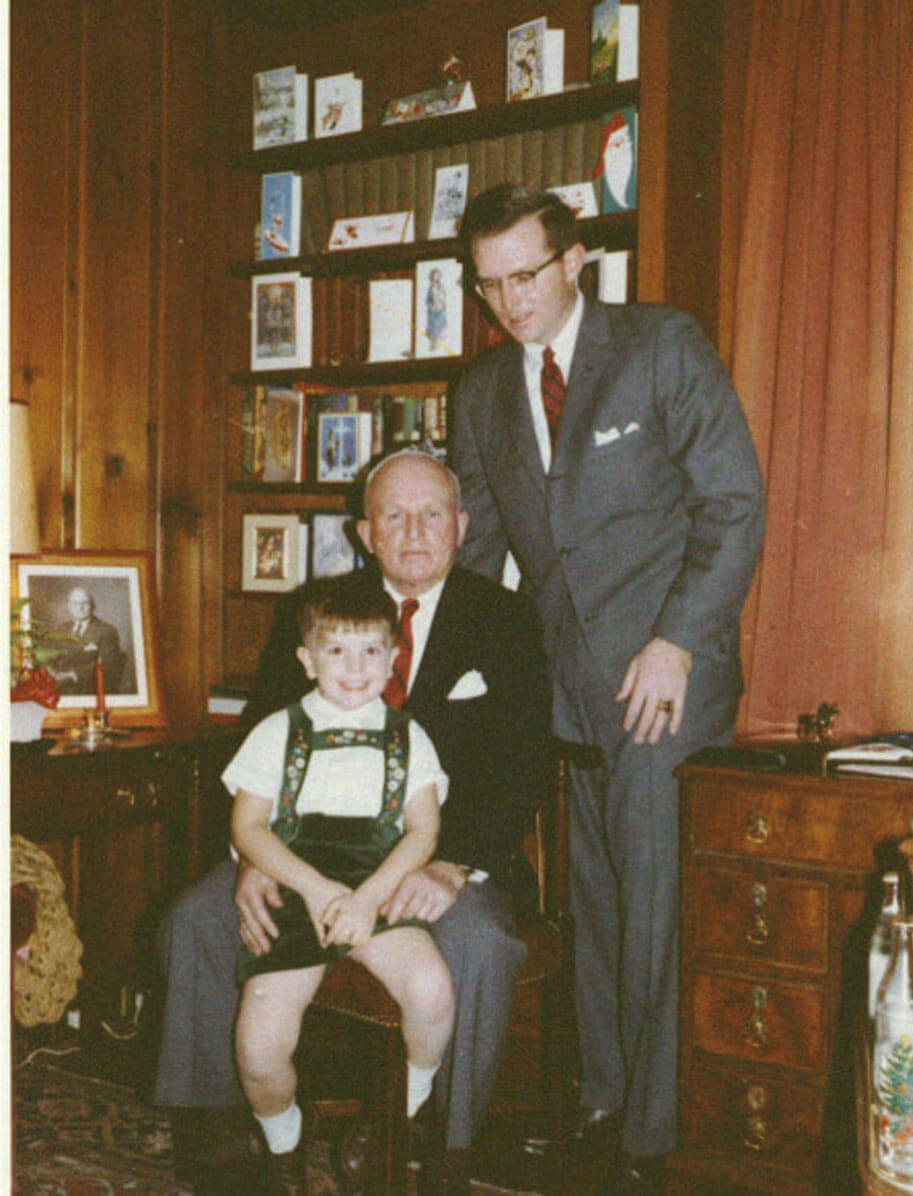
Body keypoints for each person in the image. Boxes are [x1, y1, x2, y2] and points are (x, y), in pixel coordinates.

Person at [450, 184, 766, 1193]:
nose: (510, 301)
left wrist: (677, 640)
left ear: (574, 258)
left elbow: (733, 503)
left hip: (665, 685)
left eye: (526, 275)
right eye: (489, 283)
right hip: (563, 694)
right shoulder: (482, 393)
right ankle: (602, 1102)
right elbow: (478, 555)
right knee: (592, 907)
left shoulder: (660, 344)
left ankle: (651, 1141)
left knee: (653, 909)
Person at [154, 449, 554, 1196]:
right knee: (196, 919)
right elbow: (264, 745)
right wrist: (252, 864)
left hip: (438, 859)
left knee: (487, 945)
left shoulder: (502, 619)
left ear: (462, 527)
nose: (413, 532)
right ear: (365, 531)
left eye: (431, 513)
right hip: (300, 850)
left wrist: (451, 862)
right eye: (393, 515)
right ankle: (218, 1139)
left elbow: (523, 762)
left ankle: (441, 1151)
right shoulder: (313, 613)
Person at [226, 573, 453, 1194]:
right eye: (336, 651)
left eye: (371, 651)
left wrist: (368, 898)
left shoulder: (412, 738)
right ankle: (283, 1142)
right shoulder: (278, 732)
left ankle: (398, 1117)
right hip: (300, 889)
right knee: (259, 1043)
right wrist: (318, 890)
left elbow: (422, 835)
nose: (355, 668)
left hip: (377, 885)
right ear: (306, 659)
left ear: (392, 656)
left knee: (432, 991)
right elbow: (248, 828)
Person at [50, 586, 127, 694]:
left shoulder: (107, 630)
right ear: (69, 606)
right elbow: (50, 658)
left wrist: (71, 675)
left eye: (84, 603)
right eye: (75, 604)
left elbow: (108, 665)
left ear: (92, 606)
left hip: (90, 691)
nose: (80, 608)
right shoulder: (60, 629)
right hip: (60, 690)